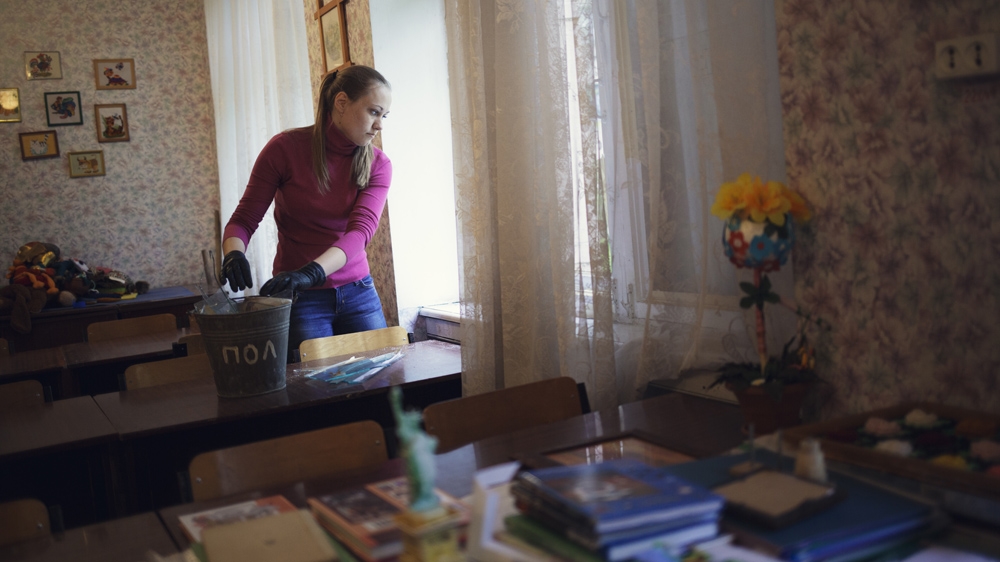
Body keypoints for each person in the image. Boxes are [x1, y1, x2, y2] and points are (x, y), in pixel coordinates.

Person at [220, 65, 393, 363]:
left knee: (380, 387)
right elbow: (244, 220)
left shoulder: (379, 164)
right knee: (314, 392)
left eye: (384, 116)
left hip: (358, 293)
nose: (380, 125)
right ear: (341, 103)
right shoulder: (284, 149)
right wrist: (233, 253)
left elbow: (359, 233)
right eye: (374, 112)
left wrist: (310, 272)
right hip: (302, 298)